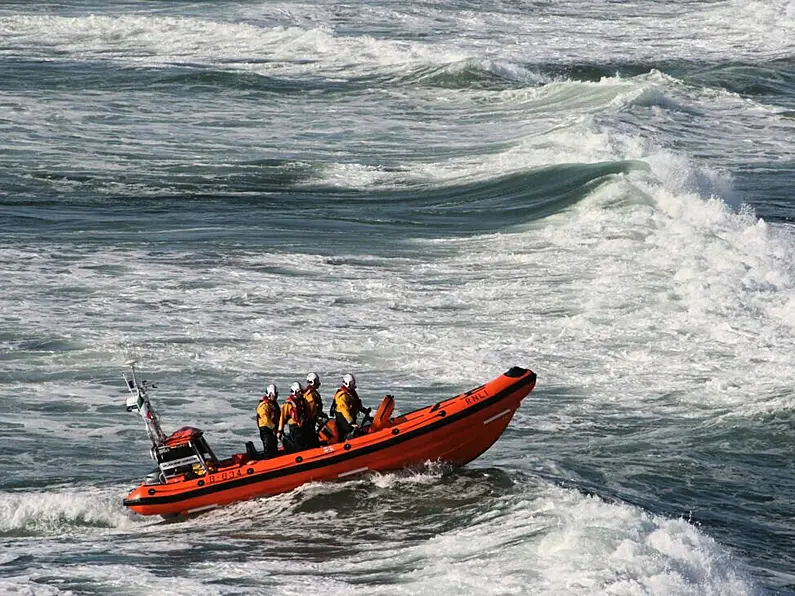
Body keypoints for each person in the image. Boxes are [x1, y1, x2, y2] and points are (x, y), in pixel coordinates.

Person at [278, 382, 313, 453]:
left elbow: (308, 412)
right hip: (295, 427)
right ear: (296, 392)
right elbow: (282, 418)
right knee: (299, 445)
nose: (301, 393)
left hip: (304, 425)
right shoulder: (288, 404)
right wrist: (280, 430)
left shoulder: (303, 401)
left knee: (308, 443)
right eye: (300, 391)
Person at [331, 373, 366, 439]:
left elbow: (356, 404)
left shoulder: (351, 392)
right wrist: (350, 422)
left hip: (350, 417)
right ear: (347, 383)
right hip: (343, 419)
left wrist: (365, 410)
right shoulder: (342, 396)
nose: (353, 384)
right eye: (352, 383)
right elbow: (344, 410)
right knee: (347, 433)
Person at [256, 384, 281, 458]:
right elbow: (266, 420)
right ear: (270, 394)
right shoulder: (264, 406)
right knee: (269, 450)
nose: (276, 396)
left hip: (273, 430)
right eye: (275, 394)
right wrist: (273, 428)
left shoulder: (273, 404)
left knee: (274, 448)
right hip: (266, 430)